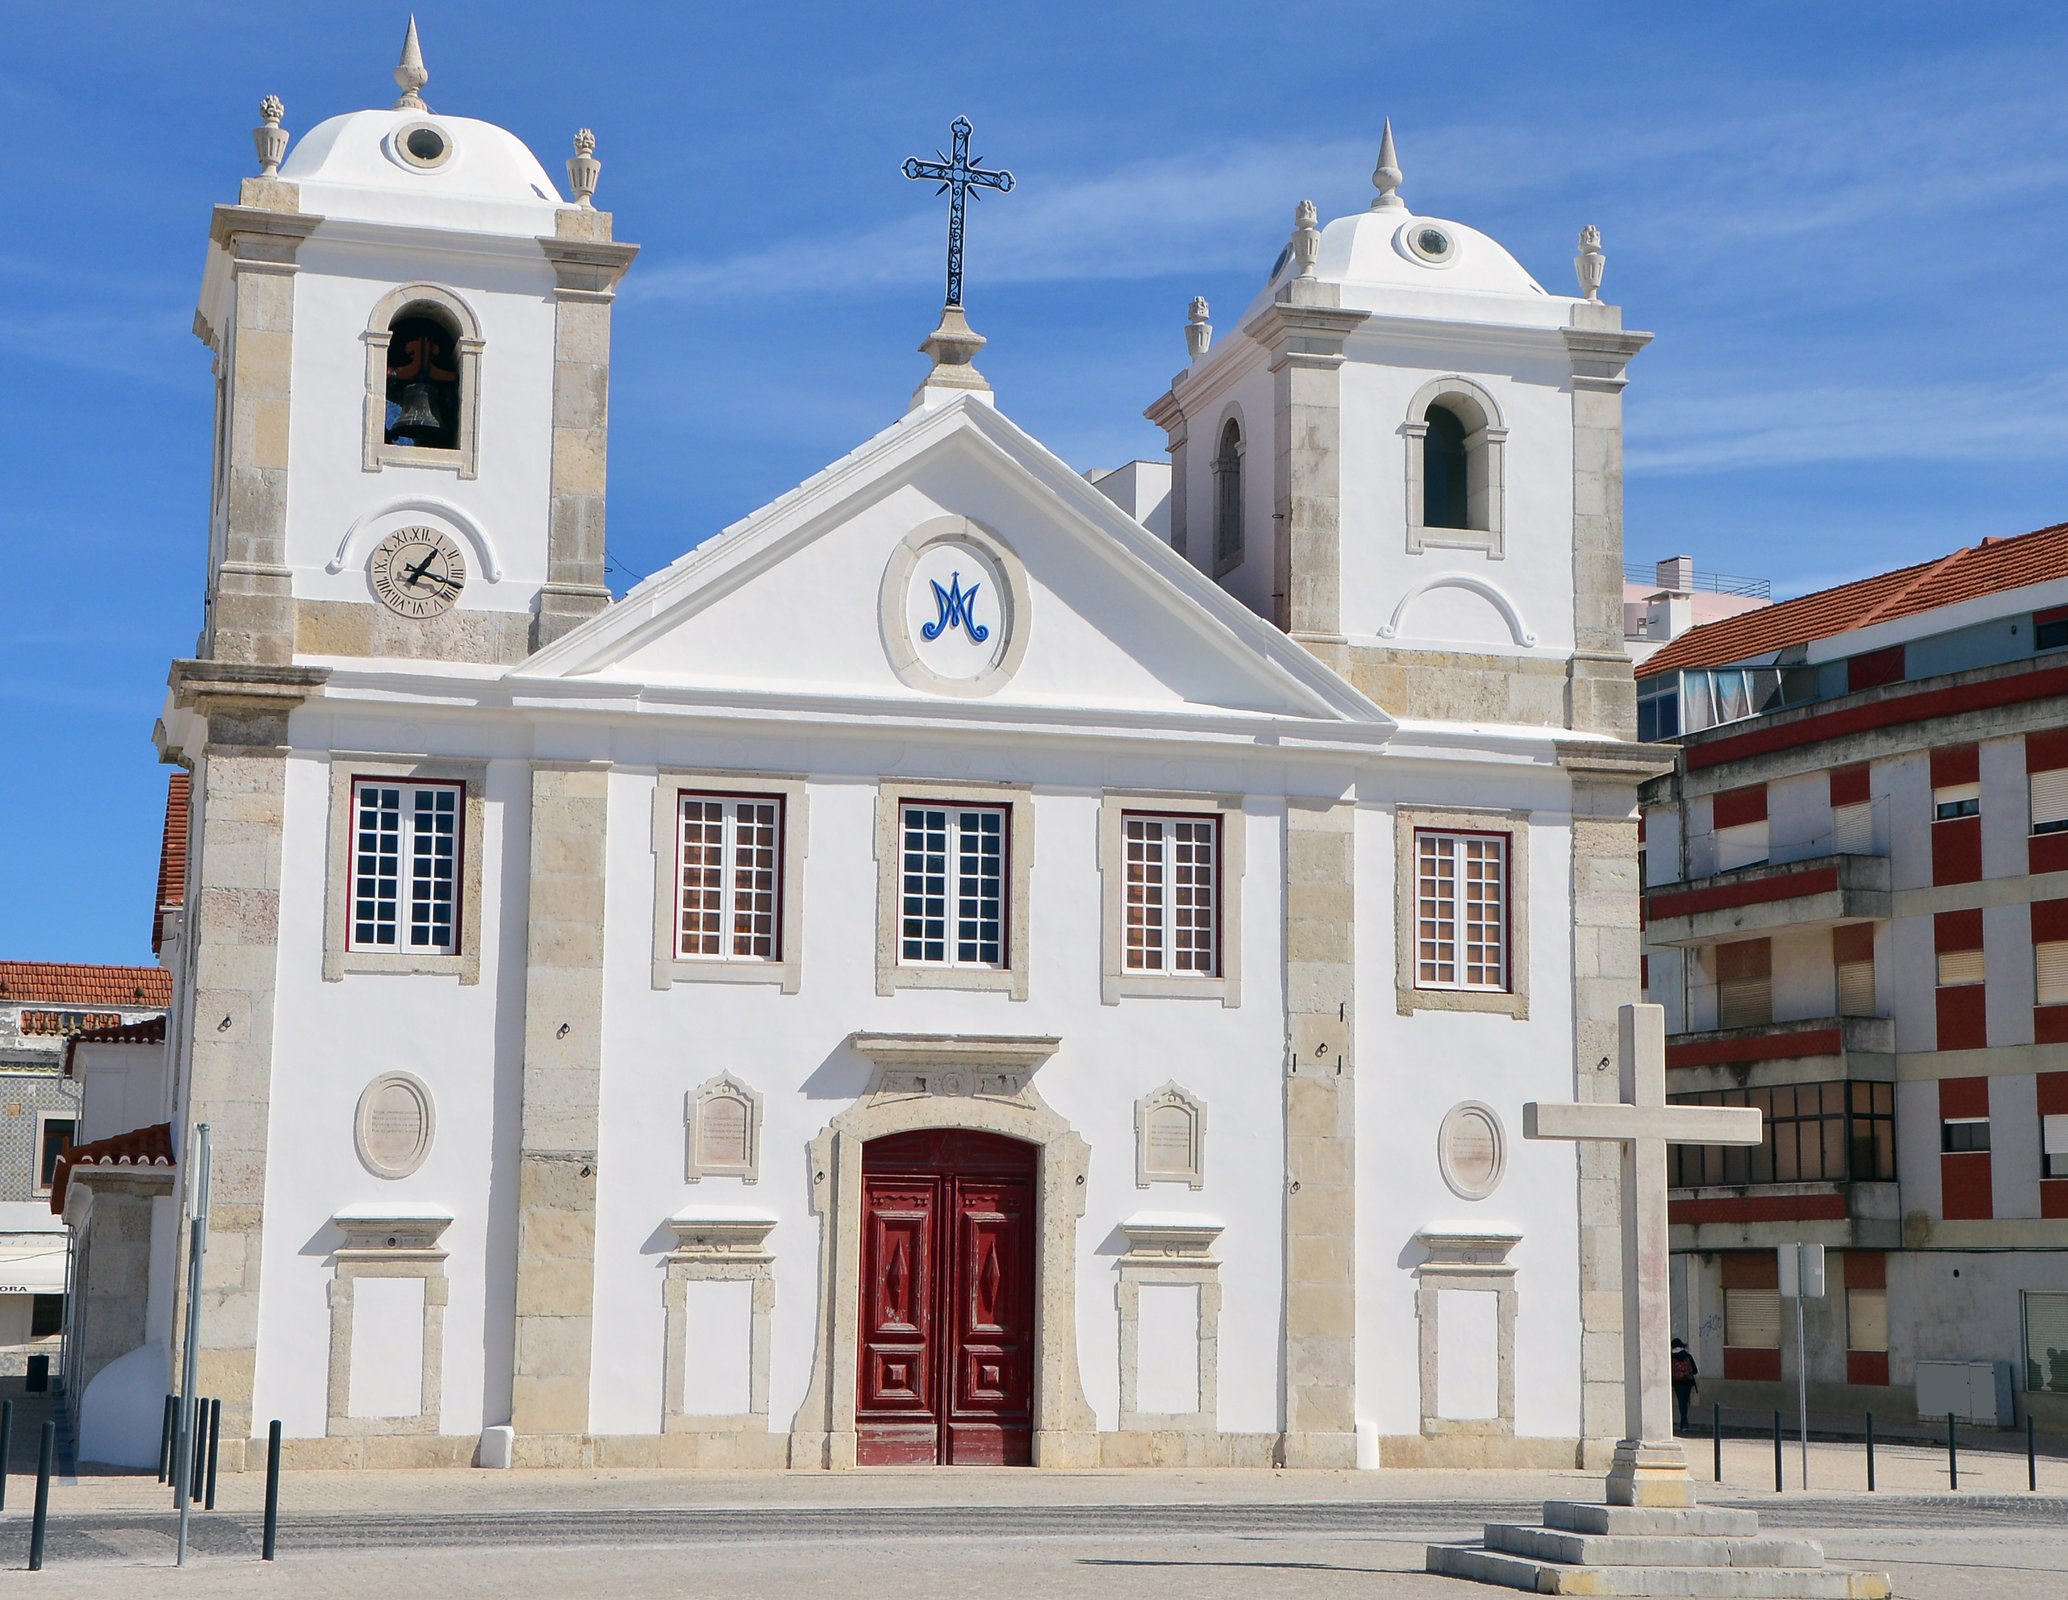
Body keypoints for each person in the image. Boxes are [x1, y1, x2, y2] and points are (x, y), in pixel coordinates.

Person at [1671, 1337, 1699, 1431]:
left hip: (1678, 1383)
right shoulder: (1687, 1355)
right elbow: (1695, 1371)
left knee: (1681, 1402)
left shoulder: (1671, 1357)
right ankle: (1684, 1423)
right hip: (1688, 1383)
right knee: (1685, 1403)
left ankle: (1684, 1422)